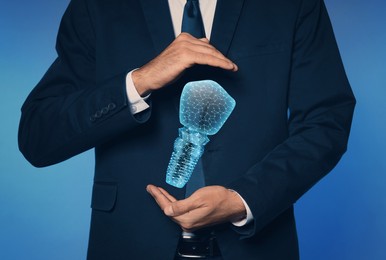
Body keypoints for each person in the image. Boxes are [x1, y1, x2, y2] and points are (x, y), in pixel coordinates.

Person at [18, 0, 355, 259]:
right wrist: (139, 81)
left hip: (257, 243)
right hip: (128, 242)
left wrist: (244, 199)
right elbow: (37, 136)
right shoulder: (98, 7)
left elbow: (326, 119)